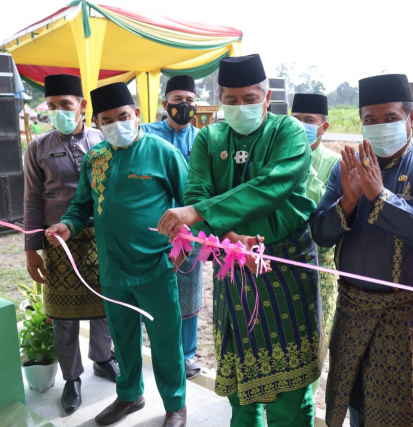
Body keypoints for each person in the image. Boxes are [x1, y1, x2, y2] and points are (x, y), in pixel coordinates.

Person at [156, 54, 325, 427]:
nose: (239, 106)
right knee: (241, 375)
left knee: (290, 385)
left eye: (249, 98)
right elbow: (197, 189)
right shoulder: (209, 138)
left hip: (284, 266)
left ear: (266, 98)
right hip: (233, 266)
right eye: (230, 100)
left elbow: (271, 186)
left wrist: (200, 213)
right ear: (220, 101)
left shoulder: (289, 132)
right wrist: (230, 238)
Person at [311, 74, 413, 427]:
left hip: (406, 322)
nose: (379, 127)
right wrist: (347, 202)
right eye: (370, 120)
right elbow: (320, 233)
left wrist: (380, 196)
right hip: (353, 313)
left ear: (411, 119)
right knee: (354, 407)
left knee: (400, 417)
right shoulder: (344, 169)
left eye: (390, 118)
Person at [46, 82, 189, 427]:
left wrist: (185, 247)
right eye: (106, 120)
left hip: (155, 266)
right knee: (122, 341)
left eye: (122, 116)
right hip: (113, 270)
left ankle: (175, 404)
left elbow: (189, 204)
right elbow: (81, 205)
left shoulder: (162, 152)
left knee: (165, 340)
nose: (115, 125)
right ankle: (130, 395)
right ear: (96, 122)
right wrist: (67, 225)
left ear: (136, 114)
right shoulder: (95, 158)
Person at [23, 74, 118, 414]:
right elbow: (32, 199)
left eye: (66, 104)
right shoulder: (37, 148)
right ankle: (72, 378)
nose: (59, 111)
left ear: (82, 106)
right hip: (57, 241)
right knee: (63, 314)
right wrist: (31, 248)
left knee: (105, 304)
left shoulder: (103, 140)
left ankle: (103, 359)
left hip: (101, 237)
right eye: (52, 106)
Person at [141, 75, 203, 379]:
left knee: (189, 292)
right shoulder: (147, 135)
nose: (184, 106)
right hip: (154, 230)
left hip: (190, 232)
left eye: (190, 100)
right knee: (151, 288)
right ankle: (152, 347)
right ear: (165, 104)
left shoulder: (204, 140)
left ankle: (187, 354)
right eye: (177, 100)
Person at [291, 93, 339, 394]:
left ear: (324, 127)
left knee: (313, 340)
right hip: (282, 260)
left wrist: (303, 165)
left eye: (309, 121)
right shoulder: (276, 154)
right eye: (296, 121)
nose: (302, 127)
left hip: (320, 266)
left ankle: (303, 401)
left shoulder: (336, 164)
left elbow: (322, 208)